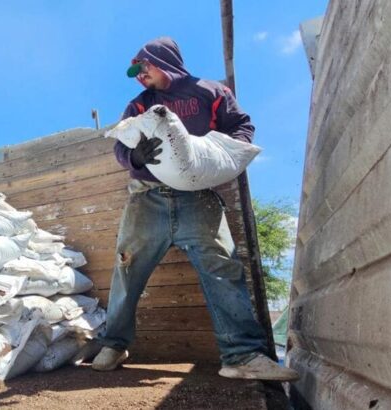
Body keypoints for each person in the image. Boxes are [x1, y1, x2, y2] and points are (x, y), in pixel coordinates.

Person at [91, 37, 298, 381]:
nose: (139, 76)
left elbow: (242, 126)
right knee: (126, 268)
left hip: (199, 199)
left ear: (163, 60)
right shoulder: (140, 105)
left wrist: (224, 154)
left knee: (223, 269)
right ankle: (114, 344)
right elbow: (119, 147)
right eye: (135, 72)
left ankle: (242, 356)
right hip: (147, 197)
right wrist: (134, 158)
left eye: (143, 67)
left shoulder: (210, 92)